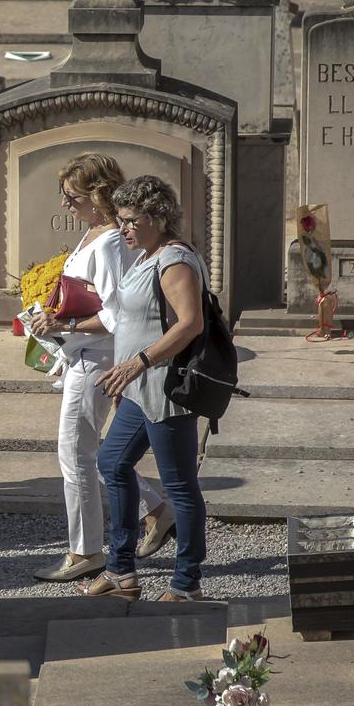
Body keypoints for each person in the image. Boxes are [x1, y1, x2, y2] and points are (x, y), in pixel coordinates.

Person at [25, 154, 173, 582]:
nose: (65, 204)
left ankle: (86, 550)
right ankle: (157, 510)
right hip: (81, 352)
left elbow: (113, 314)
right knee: (85, 452)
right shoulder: (94, 234)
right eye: (64, 194)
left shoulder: (110, 242)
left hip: (97, 356)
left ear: (98, 194)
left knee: (74, 454)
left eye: (72, 196)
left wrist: (63, 323)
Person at [86, 175, 210, 601]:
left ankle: (186, 583)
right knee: (112, 462)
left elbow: (191, 324)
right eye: (120, 220)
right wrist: (127, 375)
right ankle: (122, 572)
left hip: (167, 390)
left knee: (179, 488)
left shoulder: (173, 260)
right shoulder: (147, 254)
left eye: (131, 220)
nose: (123, 229)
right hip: (140, 390)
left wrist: (137, 363)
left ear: (157, 217)